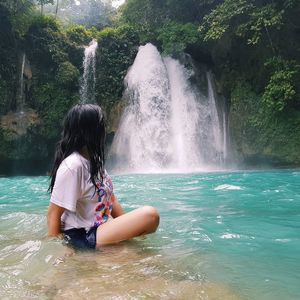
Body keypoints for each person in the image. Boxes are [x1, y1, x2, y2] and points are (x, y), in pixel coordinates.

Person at [47, 104, 159, 250]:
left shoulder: (95, 161)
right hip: (82, 236)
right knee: (150, 215)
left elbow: (111, 199)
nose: (104, 129)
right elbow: (53, 213)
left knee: (146, 227)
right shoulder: (73, 166)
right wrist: (58, 251)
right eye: (101, 124)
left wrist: (130, 227)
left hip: (99, 231)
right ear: (89, 130)